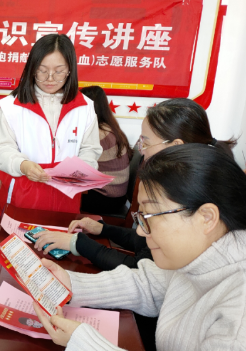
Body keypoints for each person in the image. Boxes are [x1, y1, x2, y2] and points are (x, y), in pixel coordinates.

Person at [31, 144, 246, 351]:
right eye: (140, 218)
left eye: (150, 217)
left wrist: (85, 346)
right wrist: (70, 284)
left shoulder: (239, 309)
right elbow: (148, 284)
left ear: (206, 217)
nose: (142, 233)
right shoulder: (203, 255)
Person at [32, 98, 238, 272]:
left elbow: (142, 270)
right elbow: (145, 241)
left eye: (146, 143)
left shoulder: (190, 195)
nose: (142, 151)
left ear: (175, 147)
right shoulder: (189, 179)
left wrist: (77, 244)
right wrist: (102, 229)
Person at [0, 34, 101, 223]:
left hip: (65, 199)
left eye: (59, 71)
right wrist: (23, 165)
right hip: (22, 197)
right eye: (42, 71)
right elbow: (0, 149)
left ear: (70, 70)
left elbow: (90, 149)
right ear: (32, 69)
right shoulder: (10, 106)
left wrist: (80, 169)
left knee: (59, 238)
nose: (50, 78)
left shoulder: (85, 107)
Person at [79, 86, 133, 214]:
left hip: (106, 198)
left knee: (55, 193)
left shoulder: (98, 133)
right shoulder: (107, 127)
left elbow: (77, 166)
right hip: (116, 195)